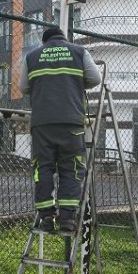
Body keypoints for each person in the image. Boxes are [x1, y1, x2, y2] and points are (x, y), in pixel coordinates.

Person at [19, 27, 101, 235]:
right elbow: (95, 79)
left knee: (43, 168)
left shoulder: (32, 56)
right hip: (71, 122)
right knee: (71, 169)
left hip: (42, 124)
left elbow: (23, 87)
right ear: (63, 38)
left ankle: (46, 216)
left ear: (44, 42)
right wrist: (73, 82)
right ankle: (67, 218)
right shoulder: (79, 52)